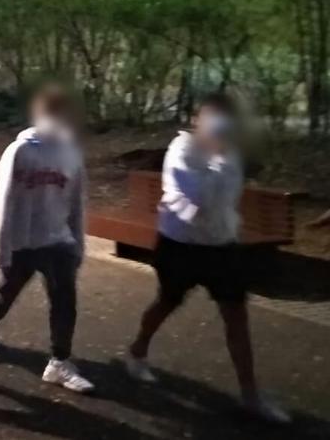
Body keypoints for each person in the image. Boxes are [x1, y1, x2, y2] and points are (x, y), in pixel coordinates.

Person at [123, 93, 289, 424]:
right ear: (197, 119)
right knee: (167, 302)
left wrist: (224, 157)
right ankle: (137, 350)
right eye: (211, 118)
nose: (218, 126)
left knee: (236, 317)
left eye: (224, 120)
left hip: (221, 247)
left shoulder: (230, 154)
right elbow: (198, 200)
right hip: (180, 244)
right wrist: (218, 156)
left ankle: (250, 394)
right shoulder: (181, 150)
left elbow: (226, 200)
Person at [0, 85, 94, 394]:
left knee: (65, 301)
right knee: (7, 289)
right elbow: (4, 202)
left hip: (59, 242)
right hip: (23, 241)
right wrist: (1, 248)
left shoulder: (71, 154)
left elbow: (77, 202)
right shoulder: (20, 151)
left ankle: (59, 362)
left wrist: (78, 243)